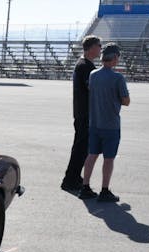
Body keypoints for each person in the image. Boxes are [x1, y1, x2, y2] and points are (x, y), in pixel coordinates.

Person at [78, 43, 130, 202]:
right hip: (111, 124)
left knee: (92, 155)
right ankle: (105, 190)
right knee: (108, 158)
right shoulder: (118, 78)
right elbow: (126, 101)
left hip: (95, 122)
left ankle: (85, 186)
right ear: (114, 58)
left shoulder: (93, 74)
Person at [61, 35, 101, 193]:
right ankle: (70, 180)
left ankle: (74, 177)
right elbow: (92, 88)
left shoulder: (84, 64)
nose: (100, 48)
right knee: (81, 148)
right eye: (99, 45)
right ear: (92, 48)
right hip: (85, 113)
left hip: (82, 112)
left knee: (81, 148)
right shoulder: (85, 66)